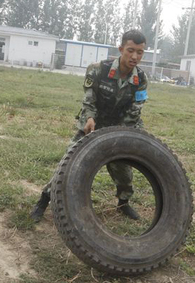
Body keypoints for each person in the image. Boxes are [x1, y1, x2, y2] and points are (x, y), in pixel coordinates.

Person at [30, 30, 149, 222]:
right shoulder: (98, 69)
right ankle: (44, 199)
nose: (135, 56)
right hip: (92, 125)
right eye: (130, 50)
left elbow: (135, 110)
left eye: (140, 52)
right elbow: (88, 101)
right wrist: (90, 118)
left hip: (119, 128)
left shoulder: (141, 79)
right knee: (68, 165)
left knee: (124, 172)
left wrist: (119, 135)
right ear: (121, 49)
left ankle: (123, 203)